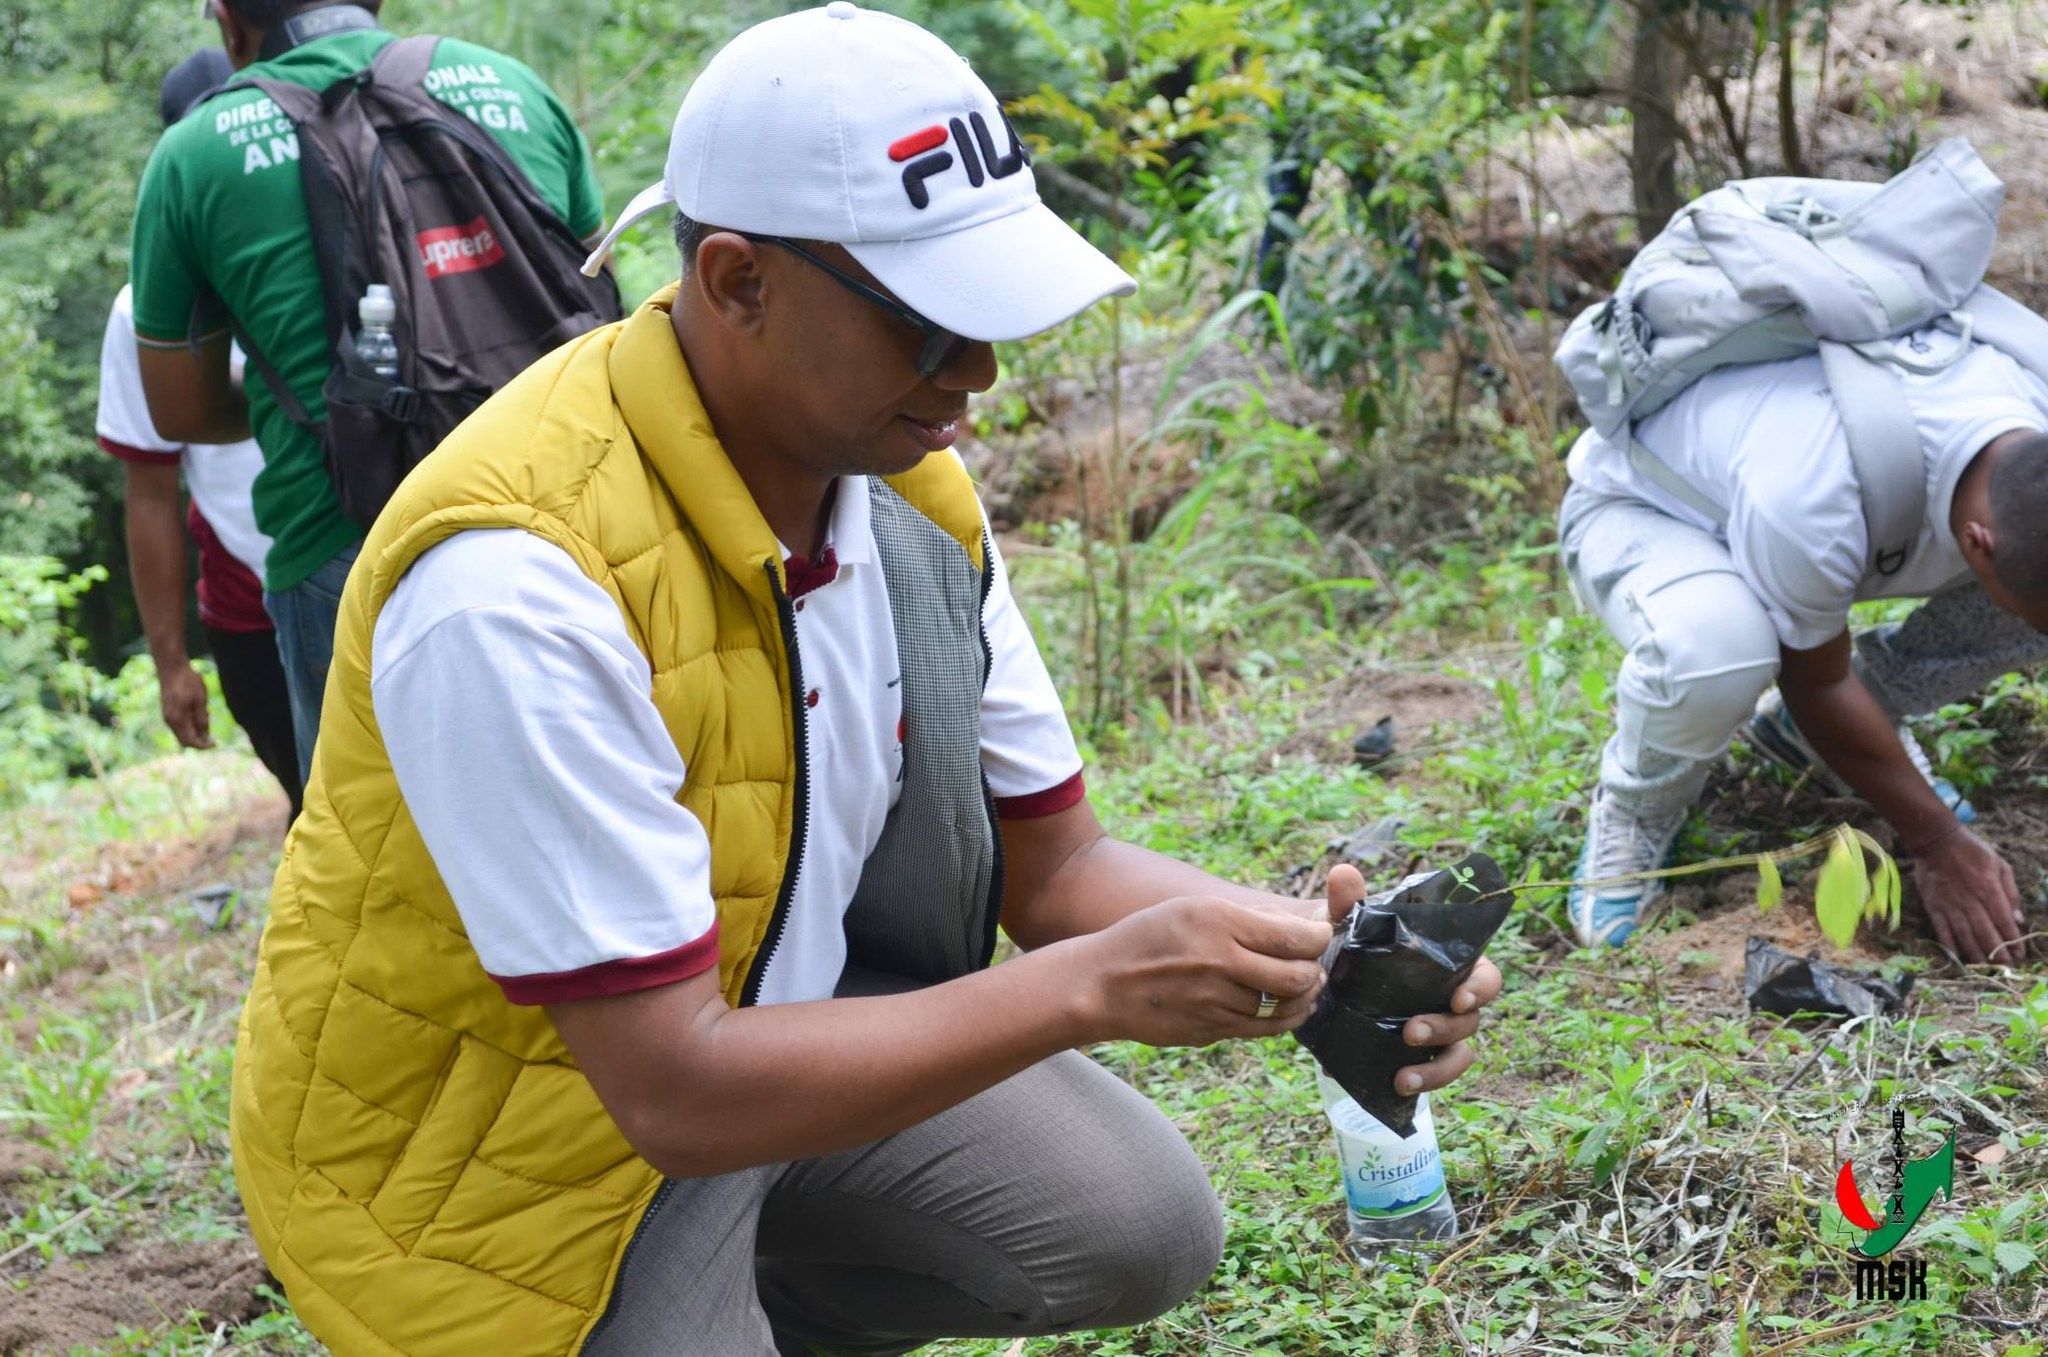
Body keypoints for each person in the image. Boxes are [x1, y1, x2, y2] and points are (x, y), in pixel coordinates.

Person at [228, 9, 1503, 1356]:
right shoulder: (517, 580)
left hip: (759, 1047)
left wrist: (1311, 949)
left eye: (989, 321)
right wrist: (1091, 990)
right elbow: (670, 1091)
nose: (979, 375)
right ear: (734, 282)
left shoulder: (907, 499)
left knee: (1141, 1220)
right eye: (927, 326)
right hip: (503, 1169)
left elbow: (1058, 871)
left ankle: (763, 1304)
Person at [127, 0, 606, 784]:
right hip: (570, 519)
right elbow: (600, 299)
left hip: (344, 554)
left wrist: (336, 393)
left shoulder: (193, 155)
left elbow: (177, 412)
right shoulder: (510, 83)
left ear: (225, 21)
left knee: (377, 880)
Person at [1561, 322, 2048, 963]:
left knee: (2025, 605)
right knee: (1721, 648)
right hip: (1653, 509)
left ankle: (1818, 731)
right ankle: (1638, 807)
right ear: (1978, 544)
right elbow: (1813, 678)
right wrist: (1935, 840)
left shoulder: (2031, 403)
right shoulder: (1816, 493)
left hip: (1808, 512)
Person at [94, 51, 301, 818]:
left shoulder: (331, 251)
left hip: (365, 570)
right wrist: (170, 661)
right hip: (249, 600)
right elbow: (149, 490)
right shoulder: (143, 311)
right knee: (312, 802)